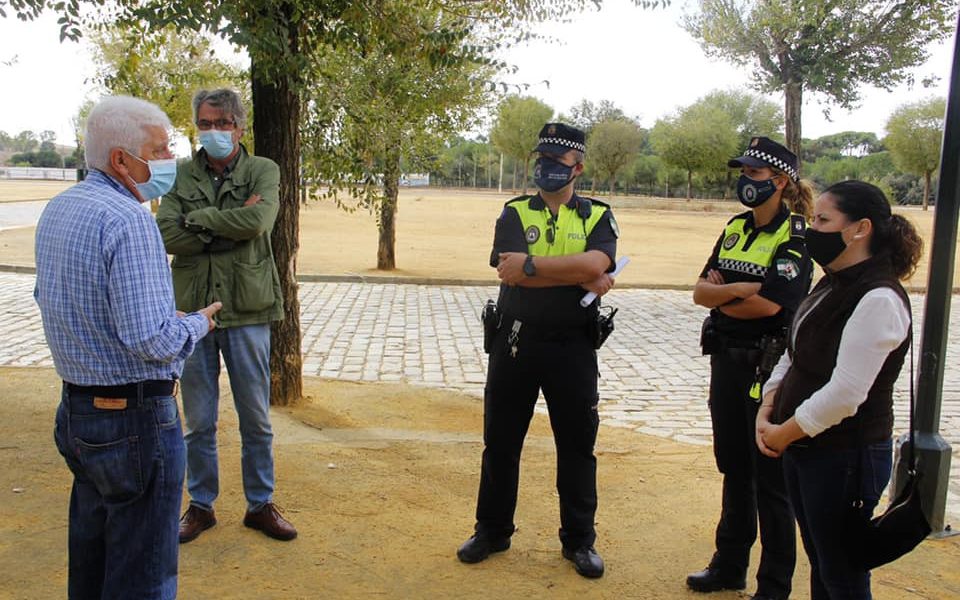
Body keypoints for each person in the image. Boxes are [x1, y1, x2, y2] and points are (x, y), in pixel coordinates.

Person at [35, 95, 221, 599]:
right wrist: (195, 325)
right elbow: (151, 338)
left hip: (77, 412)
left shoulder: (61, 208)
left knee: (92, 566)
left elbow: (49, 298)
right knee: (142, 575)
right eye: (158, 150)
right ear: (121, 159)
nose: (168, 161)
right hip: (132, 419)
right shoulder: (129, 218)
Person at [457, 123, 618, 578]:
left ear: (578, 167)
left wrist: (534, 266)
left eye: (557, 162)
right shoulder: (514, 212)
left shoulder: (598, 216)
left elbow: (596, 263)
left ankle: (579, 541)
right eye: (541, 160)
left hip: (573, 344)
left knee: (577, 446)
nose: (546, 168)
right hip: (515, 340)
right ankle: (491, 531)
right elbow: (509, 273)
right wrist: (574, 273)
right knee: (502, 442)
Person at [756, 180, 922, 599]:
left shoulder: (878, 297)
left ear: (859, 229)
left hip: (845, 456)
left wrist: (784, 431)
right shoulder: (833, 281)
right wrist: (769, 403)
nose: (813, 229)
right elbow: (796, 352)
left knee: (843, 573)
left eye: (823, 220)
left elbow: (847, 393)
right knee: (825, 565)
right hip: (808, 449)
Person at [157, 88, 297, 543]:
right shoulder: (179, 175)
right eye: (205, 124)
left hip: (247, 308)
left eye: (222, 123)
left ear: (239, 127)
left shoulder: (263, 170)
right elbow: (165, 233)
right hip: (193, 312)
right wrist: (227, 220)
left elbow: (259, 224)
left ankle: (260, 504)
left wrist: (198, 220)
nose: (213, 132)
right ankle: (201, 505)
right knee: (198, 421)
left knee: (255, 417)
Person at [689, 137, 816, 600]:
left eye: (756, 174)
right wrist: (735, 292)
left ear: (780, 181)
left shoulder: (797, 235)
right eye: (743, 172)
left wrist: (730, 295)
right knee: (734, 468)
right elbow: (701, 291)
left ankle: (773, 586)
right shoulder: (736, 228)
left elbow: (770, 306)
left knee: (770, 480)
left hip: (768, 366)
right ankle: (728, 566)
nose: (746, 181)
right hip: (725, 360)